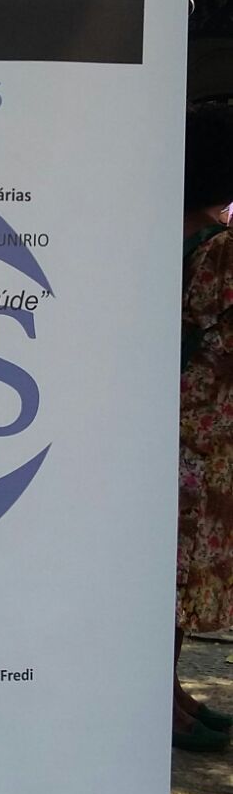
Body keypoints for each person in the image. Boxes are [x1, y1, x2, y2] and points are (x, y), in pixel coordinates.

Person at [174, 107, 233, 749]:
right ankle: (163, 700)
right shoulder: (220, 247)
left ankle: (169, 692)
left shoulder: (172, 231)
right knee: (178, 573)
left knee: (169, 572)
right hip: (202, 427)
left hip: (175, 420)